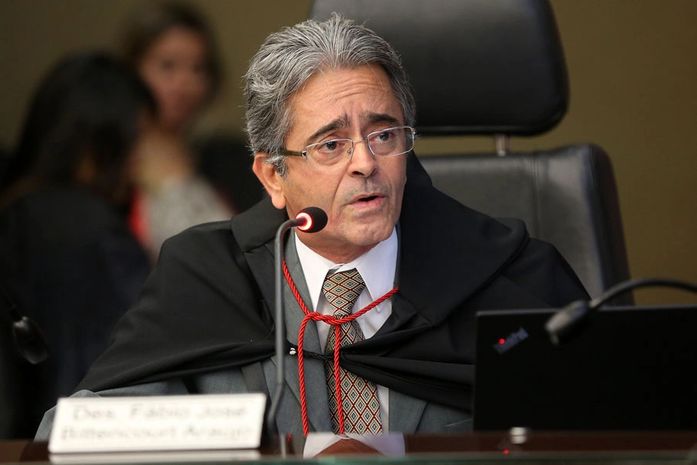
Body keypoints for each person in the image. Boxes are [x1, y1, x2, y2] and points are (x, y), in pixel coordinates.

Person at [36, 15, 587, 443]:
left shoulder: (509, 281)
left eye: (384, 135)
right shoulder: (209, 282)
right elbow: (73, 434)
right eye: (331, 145)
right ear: (273, 176)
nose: (365, 163)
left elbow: (605, 434)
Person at [0, 52, 154, 437]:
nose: (140, 163)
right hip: (77, 436)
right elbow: (143, 352)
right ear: (97, 145)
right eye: (137, 142)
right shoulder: (88, 228)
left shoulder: (16, 211)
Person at [119, 1, 234, 260]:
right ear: (132, 70)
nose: (185, 83)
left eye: (198, 68)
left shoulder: (226, 159)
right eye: (168, 66)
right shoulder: (111, 160)